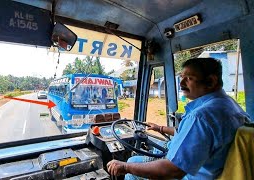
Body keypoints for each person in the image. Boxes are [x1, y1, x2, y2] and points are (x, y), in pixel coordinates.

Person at [107, 58, 250, 179]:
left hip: (189, 175)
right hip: (214, 169)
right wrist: (160, 128)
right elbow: (197, 138)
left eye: (189, 78)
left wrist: (125, 166)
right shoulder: (229, 105)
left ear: (211, 81)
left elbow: (174, 169)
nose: (181, 84)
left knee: (132, 162)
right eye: (182, 77)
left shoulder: (201, 116)